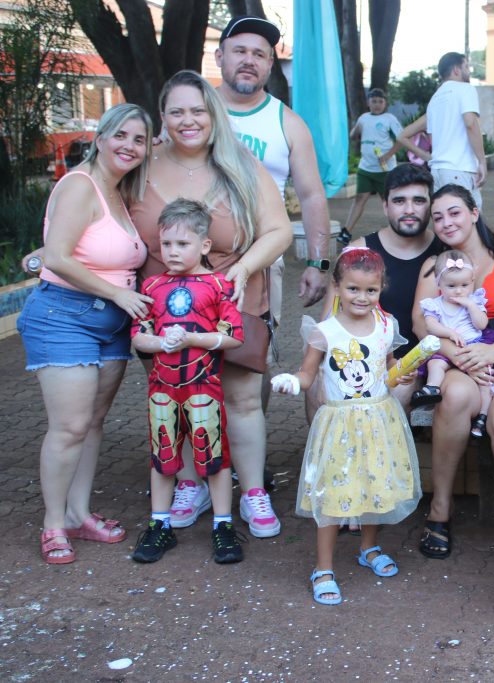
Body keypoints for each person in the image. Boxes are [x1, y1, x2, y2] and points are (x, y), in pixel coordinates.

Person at [130, 70, 292, 537]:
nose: (188, 120)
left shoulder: (239, 162)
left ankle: (253, 491)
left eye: (198, 110)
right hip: (164, 308)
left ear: (214, 114)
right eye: (177, 111)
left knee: (241, 399)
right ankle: (190, 484)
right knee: (175, 397)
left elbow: (279, 230)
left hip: (232, 297)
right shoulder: (141, 166)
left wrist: (244, 268)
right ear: (162, 117)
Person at [18, 104, 153, 564]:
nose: (129, 146)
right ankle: (53, 524)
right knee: (70, 426)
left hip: (111, 324)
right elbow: (56, 257)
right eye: (121, 135)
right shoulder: (81, 184)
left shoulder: (119, 191)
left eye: (139, 139)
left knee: (92, 423)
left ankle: (78, 514)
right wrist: (117, 295)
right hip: (64, 316)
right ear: (100, 138)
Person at [270, 248, 421, 605]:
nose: (362, 297)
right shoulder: (324, 332)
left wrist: (400, 373)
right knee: (333, 495)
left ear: (381, 289)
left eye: (371, 290)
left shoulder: (386, 325)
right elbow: (308, 375)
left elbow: (388, 365)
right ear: (336, 287)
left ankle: (368, 547)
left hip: (379, 420)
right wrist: (292, 382)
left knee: (374, 484)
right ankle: (323, 567)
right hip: (339, 425)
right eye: (353, 289)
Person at [411, 185, 494, 559]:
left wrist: (493, 351)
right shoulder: (434, 266)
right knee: (454, 396)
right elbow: (421, 324)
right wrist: (461, 356)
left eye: (454, 212)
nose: (446, 222)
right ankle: (441, 506)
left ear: (474, 212)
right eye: (438, 217)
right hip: (459, 353)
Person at [129, 199, 245, 564]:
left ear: (204, 245)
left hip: (203, 386)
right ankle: (159, 524)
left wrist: (192, 339)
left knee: (214, 455)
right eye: (166, 244)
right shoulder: (152, 285)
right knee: (163, 453)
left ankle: (223, 526)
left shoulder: (219, 285)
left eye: (182, 243)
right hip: (162, 388)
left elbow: (234, 337)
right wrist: (161, 343)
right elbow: (139, 336)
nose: (173, 251)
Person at [216, 15, 330, 307]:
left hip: (263, 260)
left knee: (257, 338)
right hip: (192, 259)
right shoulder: (193, 112)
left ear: (269, 64)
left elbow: (312, 196)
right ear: (219, 57)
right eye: (240, 51)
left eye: (259, 54)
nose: (249, 60)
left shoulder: (289, 124)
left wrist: (318, 264)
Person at [337, 164, 445, 406]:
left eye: (419, 201)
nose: (409, 210)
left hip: (419, 364)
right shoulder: (358, 250)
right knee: (317, 384)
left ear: (430, 205)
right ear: (385, 206)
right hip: (363, 356)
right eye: (399, 201)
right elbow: (331, 318)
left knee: (397, 389)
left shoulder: (445, 252)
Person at [414, 249, 494, 438]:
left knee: (485, 380)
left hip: (474, 345)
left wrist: (471, 306)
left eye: (465, 285)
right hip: (447, 348)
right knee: (435, 363)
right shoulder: (435, 304)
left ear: (473, 281)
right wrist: (450, 333)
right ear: (439, 284)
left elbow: (482, 324)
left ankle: (483, 416)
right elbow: (430, 326)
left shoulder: (475, 301)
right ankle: (432, 388)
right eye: (451, 286)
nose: (459, 291)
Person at [398, 52, 486, 207]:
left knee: (447, 219)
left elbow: (402, 136)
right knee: (470, 218)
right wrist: (482, 161)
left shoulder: (435, 99)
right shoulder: (466, 89)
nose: (469, 71)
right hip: (460, 169)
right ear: (456, 70)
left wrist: (426, 156)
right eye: (466, 67)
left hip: (437, 172)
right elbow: (470, 123)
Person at [345, 87, 403, 237]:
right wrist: (355, 130)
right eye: (374, 101)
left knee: (388, 201)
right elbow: (353, 135)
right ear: (368, 102)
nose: (377, 104)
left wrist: (388, 155)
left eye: (380, 101)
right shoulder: (363, 118)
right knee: (359, 199)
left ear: (385, 103)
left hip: (385, 170)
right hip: (365, 168)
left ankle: (398, 230)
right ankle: (346, 232)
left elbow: (402, 140)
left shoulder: (390, 119)